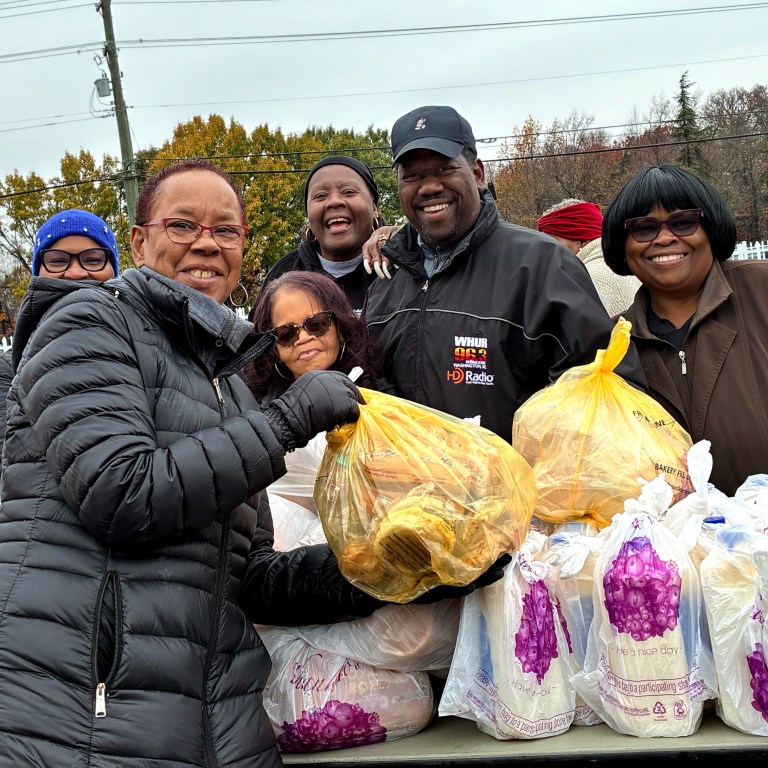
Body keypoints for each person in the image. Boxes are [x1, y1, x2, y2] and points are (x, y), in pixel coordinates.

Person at [0, 158, 507, 766]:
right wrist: (288, 420)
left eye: (226, 230)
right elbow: (121, 492)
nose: (206, 245)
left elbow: (251, 577)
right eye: (183, 225)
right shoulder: (89, 322)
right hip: (91, 702)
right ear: (139, 241)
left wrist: (400, 570)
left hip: (216, 707)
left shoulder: (228, 384)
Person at [362, 105, 647, 443]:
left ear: (478, 173)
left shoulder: (543, 264)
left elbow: (606, 391)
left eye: (444, 168)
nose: (428, 187)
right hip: (407, 491)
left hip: (518, 491)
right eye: (412, 176)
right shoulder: (385, 277)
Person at [602, 163, 768, 496]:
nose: (664, 238)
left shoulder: (761, 290)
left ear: (710, 228)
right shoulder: (612, 345)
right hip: (674, 542)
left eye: (682, 222)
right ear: (623, 245)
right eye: (644, 228)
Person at [0, 208, 120, 446]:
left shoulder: (149, 344)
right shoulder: (7, 371)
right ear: (39, 271)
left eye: (93, 259)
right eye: (57, 261)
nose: (75, 272)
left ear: (113, 268)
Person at [255, 155, 390, 315]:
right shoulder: (283, 273)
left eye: (348, 192)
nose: (334, 202)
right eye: (320, 195)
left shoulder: (403, 262)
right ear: (308, 215)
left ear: (374, 207)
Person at [246, 270, 391, 406]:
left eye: (316, 324)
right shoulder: (258, 413)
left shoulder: (384, 402)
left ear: (340, 329)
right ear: (275, 350)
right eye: (287, 334)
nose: (303, 338)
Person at [536, 198, 640, 316]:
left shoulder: (586, 278)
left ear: (580, 239)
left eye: (553, 241)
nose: (548, 250)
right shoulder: (630, 266)